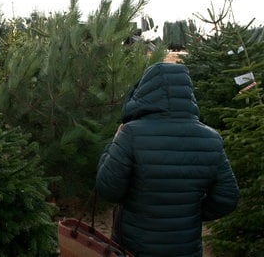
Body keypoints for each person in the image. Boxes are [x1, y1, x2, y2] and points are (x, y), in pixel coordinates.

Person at [95, 62, 239, 257]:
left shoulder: (131, 133)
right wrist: (190, 215)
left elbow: (107, 189)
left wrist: (113, 144)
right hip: (186, 249)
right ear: (188, 93)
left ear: (144, 91)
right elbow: (227, 197)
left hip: (135, 246)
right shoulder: (211, 138)